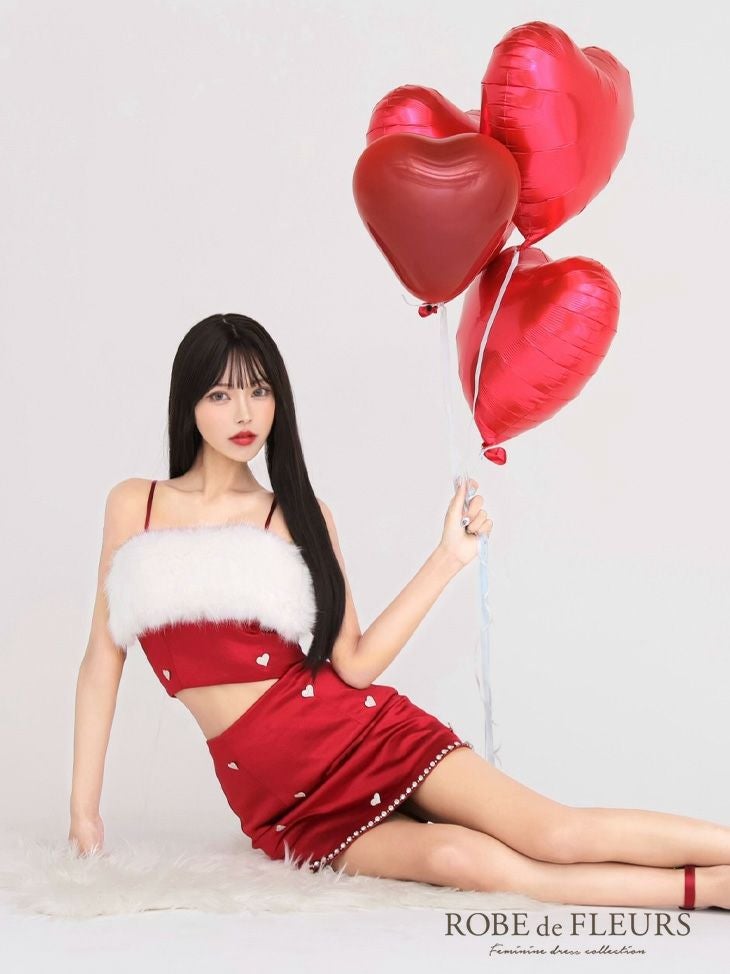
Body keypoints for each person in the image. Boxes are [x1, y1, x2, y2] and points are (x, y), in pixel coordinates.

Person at [68, 312, 729, 911]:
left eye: (259, 390)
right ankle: (710, 890)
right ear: (188, 403)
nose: (244, 411)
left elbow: (354, 663)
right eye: (220, 394)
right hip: (283, 805)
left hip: (362, 735)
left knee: (554, 833)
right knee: (458, 860)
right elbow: (103, 661)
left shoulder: (296, 514)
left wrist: (447, 557)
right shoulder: (135, 505)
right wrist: (84, 811)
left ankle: (716, 880)